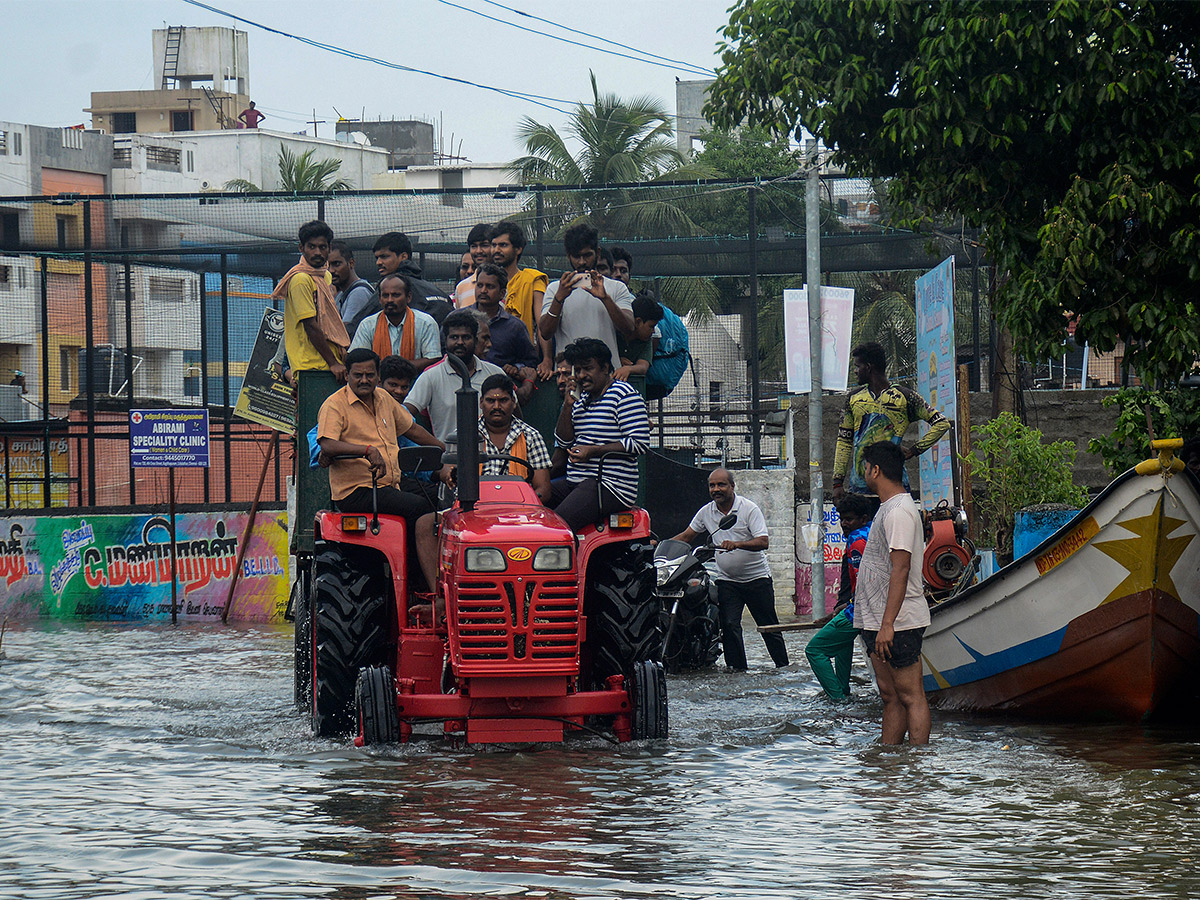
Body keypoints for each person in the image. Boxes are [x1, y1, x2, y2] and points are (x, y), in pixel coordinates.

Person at [668, 469, 789, 671]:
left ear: (732, 487)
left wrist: (737, 544)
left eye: (721, 485)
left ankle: (783, 668)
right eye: (712, 485)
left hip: (757, 579)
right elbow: (688, 536)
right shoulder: (706, 512)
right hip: (727, 581)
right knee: (730, 626)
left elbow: (763, 541)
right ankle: (737, 670)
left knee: (769, 627)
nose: (717, 489)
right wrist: (661, 544)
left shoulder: (749, 509)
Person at [316, 347, 444, 538]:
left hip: (391, 483)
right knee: (417, 507)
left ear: (378, 377)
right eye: (358, 375)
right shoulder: (334, 405)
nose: (364, 380)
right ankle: (412, 565)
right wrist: (368, 450)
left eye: (370, 375)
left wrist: (444, 450)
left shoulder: (384, 398)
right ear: (348, 376)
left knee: (437, 497)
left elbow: (413, 429)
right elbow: (327, 444)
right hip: (357, 490)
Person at [854, 440, 931, 745]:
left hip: (898, 622)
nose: (862, 473)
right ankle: (890, 763)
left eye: (865, 467)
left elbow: (901, 569)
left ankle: (919, 763)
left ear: (875, 470)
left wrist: (888, 624)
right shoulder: (887, 507)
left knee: (911, 696)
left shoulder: (899, 510)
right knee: (890, 696)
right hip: (877, 621)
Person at [549, 337, 649, 532]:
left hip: (610, 486)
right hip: (575, 481)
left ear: (605, 368)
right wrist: (567, 407)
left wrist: (593, 451)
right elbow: (564, 441)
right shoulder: (579, 398)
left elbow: (639, 442)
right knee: (535, 499)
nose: (581, 375)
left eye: (588, 368)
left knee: (558, 525)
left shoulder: (624, 395)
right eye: (577, 370)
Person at [832, 342, 951, 500]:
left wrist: (916, 450)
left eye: (857, 366)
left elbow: (942, 423)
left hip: (894, 489)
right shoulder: (853, 398)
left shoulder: (905, 397)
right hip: (860, 489)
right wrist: (837, 482)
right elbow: (844, 441)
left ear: (868, 367)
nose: (855, 371)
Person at [539, 223, 636, 380]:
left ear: (597, 253)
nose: (582, 262)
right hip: (569, 376)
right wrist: (559, 299)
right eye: (577, 257)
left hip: (607, 375)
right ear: (568, 255)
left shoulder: (616, 287)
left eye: (587, 255)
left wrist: (605, 298)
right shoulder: (555, 289)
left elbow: (629, 327)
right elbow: (545, 332)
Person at [805, 492, 875, 700]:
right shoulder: (871, 532)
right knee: (843, 646)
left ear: (862, 519)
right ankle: (843, 690)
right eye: (842, 519)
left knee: (814, 650)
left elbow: (865, 581)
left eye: (849, 519)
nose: (844, 524)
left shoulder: (857, 540)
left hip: (861, 610)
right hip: (863, 607)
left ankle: (836, 699)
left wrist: (850, 607)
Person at [404, 309, 504, 444]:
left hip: (491, 459)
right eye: (454, 337)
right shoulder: (431, 376)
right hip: (448, 461)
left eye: (466, 337)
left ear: (475, 340)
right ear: (445, 341)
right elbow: (403, 417)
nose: (460, 342)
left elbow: (515, 418)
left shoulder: (494, 373)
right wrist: (440, 449)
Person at [273, 220, 348, 384]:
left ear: (329, 248)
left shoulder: (324, 276)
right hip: (311, 367)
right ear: (302, 248)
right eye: (311, 247)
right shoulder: (300, 280)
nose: (317, 252)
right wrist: (333, 363)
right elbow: (310, 325)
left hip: (329, 363)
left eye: (322, 247)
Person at [476, 373, 552, 503]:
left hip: (519, 513)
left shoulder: (531, 436)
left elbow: (543, 489)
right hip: (474, 510)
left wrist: (520, 504)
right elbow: (449, 472)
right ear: (481, 402)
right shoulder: (466, 435)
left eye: (503, 400)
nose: (496, 407)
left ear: (514, 402)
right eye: (490, 401)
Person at [490, 221, 551, 374]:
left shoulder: (532, 279)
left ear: (518, 249)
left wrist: (547, 359)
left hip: (523, 362)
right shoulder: (483, 283)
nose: (496, 250)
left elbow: (542, 324)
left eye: (503, 245)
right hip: (491, 360)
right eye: (493, 245)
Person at [350, 273, 441, 371]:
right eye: (385, 295)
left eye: (395, 295)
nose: (390, 300)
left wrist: (396, 369)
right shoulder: (367, 325)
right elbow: (357, 359)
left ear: (408, 297)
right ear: (380, 299)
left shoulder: (426, 323)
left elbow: (433, 358)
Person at [372, 231, 453, 326]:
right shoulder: (438, 292)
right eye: (377, 258)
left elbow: (357, 324)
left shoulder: (388, 288)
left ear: (403, 257)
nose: (378, 262)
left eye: (384, 256)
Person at [472, 263, 538, 373]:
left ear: (502, 293)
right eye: (479, 285)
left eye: (490, 286)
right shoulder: (459, 319)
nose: (483, 290)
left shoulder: (515, 326)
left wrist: (516, 368)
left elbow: (531, 361)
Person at [327, 240, 379, 335]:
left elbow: (346, 333)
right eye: (327, 265)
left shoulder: (359, 293)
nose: (331, 270)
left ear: (351, 263)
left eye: (337, 264)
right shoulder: (342, 294)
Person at [615, 294, 663, 383]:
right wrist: (616, 360)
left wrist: (629, 369)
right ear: (638, 322)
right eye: (651, 326)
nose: (653, 331)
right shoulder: (613, 332)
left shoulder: (646, 340)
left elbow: (643, 367)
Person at [453, 223, 492, 308]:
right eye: (474, 246)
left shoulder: (510, 282)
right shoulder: (461, 288)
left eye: (484, 245)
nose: (478, 251)